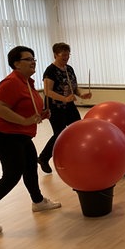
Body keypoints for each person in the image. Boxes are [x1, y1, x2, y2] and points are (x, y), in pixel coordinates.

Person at [0, 46, 61, 233]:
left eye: (33, 58)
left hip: (20, 133)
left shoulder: (27, 81)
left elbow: (24, 107)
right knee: (13, 173)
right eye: (28, 59)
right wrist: (25, 120)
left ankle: (38, 202)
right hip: (2, 134)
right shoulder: (11, 82)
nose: (33, 61)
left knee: (29, 166)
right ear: (16, 64)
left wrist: (41, 115)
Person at [37, 42, 92, 174]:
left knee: (78, 130)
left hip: (69, 106)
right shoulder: (50, 71)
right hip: (55, 107)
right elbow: (48, 91)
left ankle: (77, 156)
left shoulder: (69, 69)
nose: (66, 57)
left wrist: (81, 94)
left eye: (68, 54)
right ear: (55, 55)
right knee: (59, 134)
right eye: (63, 55)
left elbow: (74, 87)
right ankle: (43, 158)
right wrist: (64, 98)